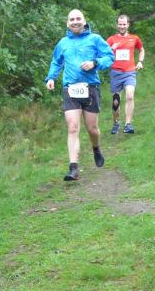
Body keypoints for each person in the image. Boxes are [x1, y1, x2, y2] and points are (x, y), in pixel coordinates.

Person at [45, 9, 114, 181]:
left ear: (84, 21)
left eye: (78, 19)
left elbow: (109, 57)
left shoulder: (95, 39)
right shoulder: (63, 43)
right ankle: (73, 168)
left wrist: (94, 63)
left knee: (92, 129)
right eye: (71, 19)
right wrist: (51, 78)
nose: (75, 22)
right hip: (70, 89)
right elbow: (56, 62)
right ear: (67, 23)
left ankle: (96, 148)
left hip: (90, 88)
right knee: (73, 127)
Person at [107, 15, 145, 134]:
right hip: (116, 73)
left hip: (129, 72)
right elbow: (103, 54)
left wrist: (140, 61)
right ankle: (116, 122)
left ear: (128, 25)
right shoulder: (111, 39)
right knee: (116, 101)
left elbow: (141, 49)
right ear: (117, 25)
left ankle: (128, 124)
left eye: (124, 24)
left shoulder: (134, 38)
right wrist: (111, 48)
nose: (122, 26)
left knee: (130, 96)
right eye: (120, 24)